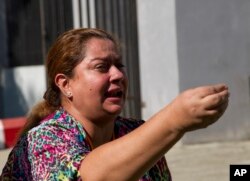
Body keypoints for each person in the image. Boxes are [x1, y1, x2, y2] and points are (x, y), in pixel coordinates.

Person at [0, 28, 229, 180]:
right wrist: (173, 121)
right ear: (65, 84)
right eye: (102, 67)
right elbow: (88, 176)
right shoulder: (43, 140)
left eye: (119, 66)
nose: (117, 75)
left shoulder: (135, 132)